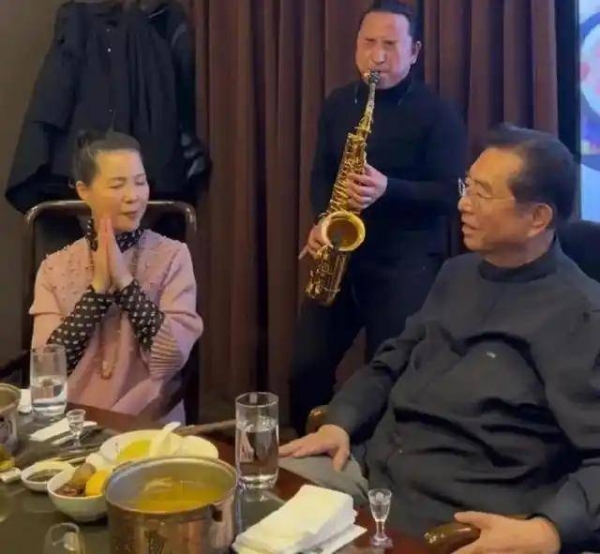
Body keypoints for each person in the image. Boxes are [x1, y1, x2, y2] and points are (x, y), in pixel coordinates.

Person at [281, 124, 600, 553]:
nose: (463, 204)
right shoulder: (457, 273)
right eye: (467, 186)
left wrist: (548, 531)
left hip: (447, 516)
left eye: (482, 194)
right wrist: (341, 420)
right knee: (252, 498)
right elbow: (393, 359)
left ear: (538, 218)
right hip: (369, 470)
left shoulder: (580, 316)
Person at [290, 0, 467, 435]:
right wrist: (322, 221)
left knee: (387, 374)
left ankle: (373, 461)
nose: (378, 56)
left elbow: (451, 194)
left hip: (405, 262)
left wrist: (389, 188)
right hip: (342, 254)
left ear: (414, 51)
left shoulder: (437, 113)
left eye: (390, 45)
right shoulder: (338, 104)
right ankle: (304, 454)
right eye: (369, 43)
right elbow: (322, 173)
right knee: (304, 367)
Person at [30, 130, 203, 421]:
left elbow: (172, 358)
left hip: (146, 420)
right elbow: (48, 369)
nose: (133, 196)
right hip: (71, 422)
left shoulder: (174, 256)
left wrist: (125, 283)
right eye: (117, 184)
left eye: (140, 182)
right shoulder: (54, 268)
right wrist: (97, 290)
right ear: (84, 191)